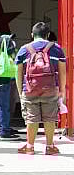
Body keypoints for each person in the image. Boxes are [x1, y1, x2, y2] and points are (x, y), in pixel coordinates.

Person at [15, 22, 67, 155]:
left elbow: (18, 73)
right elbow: (62, 72)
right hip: (50, 89)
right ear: (48, 35)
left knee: (31, 118)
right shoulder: (56, 49)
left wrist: (21, 91)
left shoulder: (24, 49)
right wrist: (61, 90)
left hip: (30, 89)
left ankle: (30, 147)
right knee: (50, 118)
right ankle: (50, 147)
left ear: (32, 35)